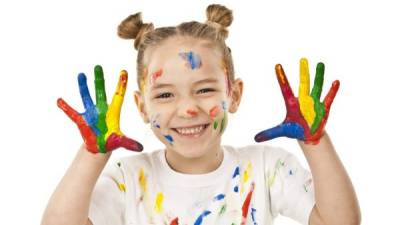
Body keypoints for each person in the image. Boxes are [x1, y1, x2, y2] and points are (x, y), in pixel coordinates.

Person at [41, 4, 361, 225]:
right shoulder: (128, 178)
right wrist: (91, 155)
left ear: (233, 95)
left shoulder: (265, 168)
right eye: (165, 94)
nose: (188, 108)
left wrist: (316, 144)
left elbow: (340, 221)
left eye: (205, 89)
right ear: (141, 107)